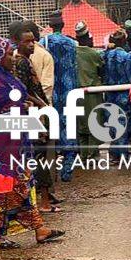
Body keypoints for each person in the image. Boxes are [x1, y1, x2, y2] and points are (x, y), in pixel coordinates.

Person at [0, 36, 65, 247]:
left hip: (14, 136)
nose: (12, 57)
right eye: (8, 54)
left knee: (23, 183)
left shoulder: (3, 74)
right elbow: (3, 104)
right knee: (4, 186)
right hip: (2, 141)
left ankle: (38, 229)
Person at [9, 20, 59, 213]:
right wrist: (42, 105)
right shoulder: (21, 62)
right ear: (17, 42)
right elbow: (25, 91)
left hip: (35, 113)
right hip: (35, 115)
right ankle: (43, 202)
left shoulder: (22, 60)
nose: (32, 45)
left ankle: (38, 200)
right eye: (27, 42)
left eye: (33, 41)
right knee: (41, 157)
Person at [40, 11, 79, 181]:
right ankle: (68, 166)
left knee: (53, 124)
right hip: (69, 88)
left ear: (50, 25)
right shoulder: (72, 43)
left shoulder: (44, 43)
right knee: (69, 124)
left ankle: (52, 160)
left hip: (52, 88)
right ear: (62, 25)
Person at [74, 22, 105, 161]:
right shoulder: (94, 54)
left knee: (81, 126)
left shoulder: (72, 53)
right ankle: (93, 155)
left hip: (76, 94)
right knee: (94, 124)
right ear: (87, 37)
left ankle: (83, 154)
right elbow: (101, 71)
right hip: (92, 94)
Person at [102, 29, 131, 158]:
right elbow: (130, 75)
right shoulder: (127, 57)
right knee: (122, 123)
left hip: (110, 93)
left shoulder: (105, 55)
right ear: (123, 41)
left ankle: (114, 154)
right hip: (123, 93)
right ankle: (122, 154)